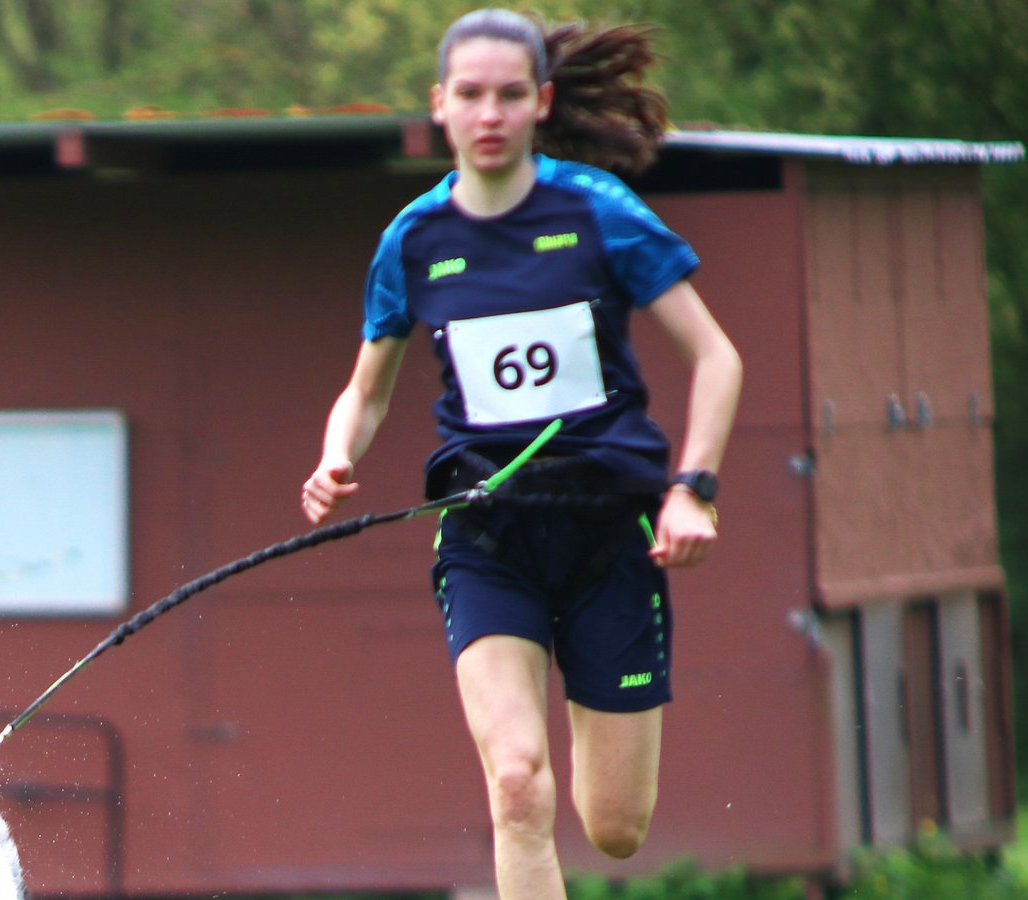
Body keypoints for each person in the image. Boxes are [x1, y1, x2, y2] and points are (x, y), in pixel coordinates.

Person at [299, 9, 742, 898]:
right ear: (441, 105)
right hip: (488, 537)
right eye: (470, 95)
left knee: (615, 828)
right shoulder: (414, 239)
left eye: (509, 95)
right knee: (515, 784)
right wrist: (335, 454)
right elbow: (367, 391)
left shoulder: (598, 212)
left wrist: (692, 488)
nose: (490, 114)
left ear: (541, 102)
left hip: (609, 536)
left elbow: (717, 358)